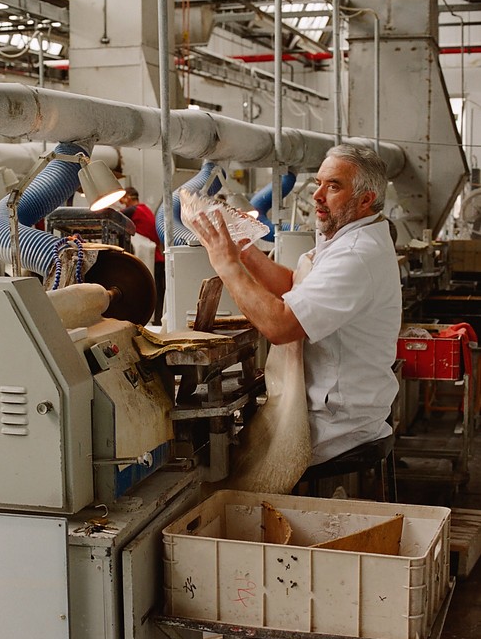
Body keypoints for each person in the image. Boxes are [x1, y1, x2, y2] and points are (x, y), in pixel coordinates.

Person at [192, 143, 402, 469]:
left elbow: (281, 326)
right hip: (333, 405)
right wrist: (247, 252)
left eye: (333, 186)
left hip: (337, 423)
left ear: (365, 200)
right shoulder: (347, 237)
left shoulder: (357, 253)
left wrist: (227, 265)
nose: (317, 195)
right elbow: (297, 285)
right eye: (318, 182)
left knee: (220, 468)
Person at [120, 186, 165, 326]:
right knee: (157, 295)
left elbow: (111, 217)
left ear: (128, 197)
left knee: (146, 293)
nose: (122, 202)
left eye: (122, 199)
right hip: (158, 259)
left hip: (149, 260)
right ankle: (156, 322)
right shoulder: (146, 210)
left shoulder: (133, 210)